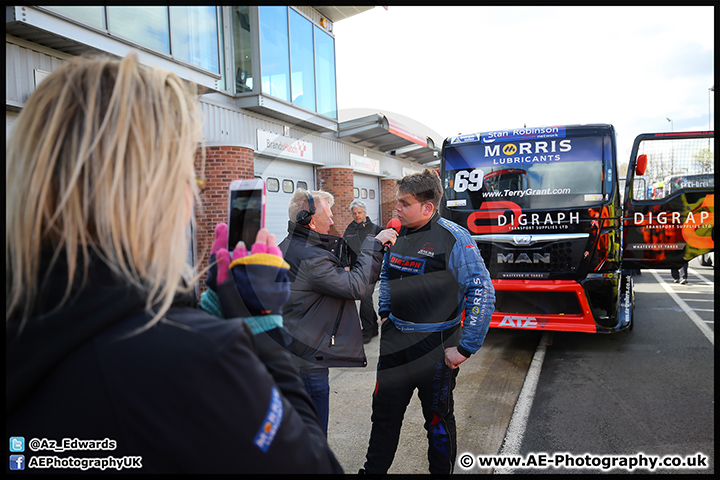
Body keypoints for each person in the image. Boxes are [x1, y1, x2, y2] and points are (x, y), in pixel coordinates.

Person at [6, 54, 342, 474]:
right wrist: (262, 328)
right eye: (189, 177)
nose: (195, 197)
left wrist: (194, 314)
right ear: (152, 190)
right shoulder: (194, 360)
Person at [361, 169, 495, 475]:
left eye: (403, 203)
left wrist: (466, 347)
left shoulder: (454, 238)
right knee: (383, 418)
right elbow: (386, 273)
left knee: (437, 422)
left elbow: (482, 291)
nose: (396, 209)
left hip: (436, 347)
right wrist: (385, 311)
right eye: (397, 202)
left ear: (428, 207)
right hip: (395, 343)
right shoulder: (398, 233)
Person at [279, 189, 397, 434]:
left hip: (293, 351)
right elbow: (357, 286)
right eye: (328, 214)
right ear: (309, 220)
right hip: (308, 359)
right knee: (313, 434)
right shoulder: (312, 257)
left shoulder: (288, 245)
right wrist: (374, 245)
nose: (333, 220)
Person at [343, 200, 383, 343]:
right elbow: (344, 249)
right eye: (354, 213)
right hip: (356, 269)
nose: (357, 216)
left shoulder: (376, 229)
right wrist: (345, 265)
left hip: (372, 269)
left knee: (365, 298)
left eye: (359, 212)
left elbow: (385, 247)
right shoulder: (349, 229)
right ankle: (373, 328)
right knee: (365, 298)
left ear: (365, 213)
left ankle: (366, 331)